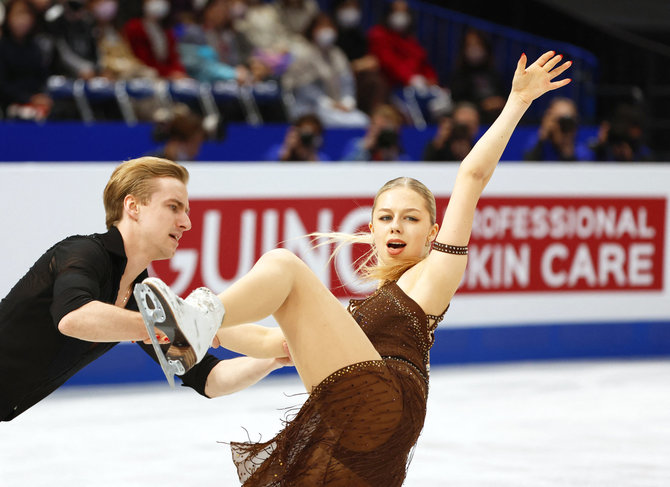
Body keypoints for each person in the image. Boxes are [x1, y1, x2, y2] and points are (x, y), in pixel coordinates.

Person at [135, 51, 572, 485]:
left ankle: (196, 319)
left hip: (385, 404)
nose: (395, 226)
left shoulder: (435, 275)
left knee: (284, 266)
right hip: (363, 430)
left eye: (411, 218)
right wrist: (159, 324)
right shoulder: (356, 322)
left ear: (432, 231)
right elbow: (270, 340)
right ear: (372, 228)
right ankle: (193, 321)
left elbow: (471, 177)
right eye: (385, 217)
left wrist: (518, 101)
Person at [0, 156, 290, 422]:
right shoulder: (83, 252)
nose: (186, 223)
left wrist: (272, 361)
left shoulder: (141, 296)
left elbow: (210, 379)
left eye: (186, 211)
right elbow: (74, 317)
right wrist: (169, 326)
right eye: (173, 207)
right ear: (133, 207)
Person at [281, 12, 368, 127]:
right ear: (312, 30)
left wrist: (347, 102)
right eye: (322, 26)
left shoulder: (337, 54)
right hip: (309, 107)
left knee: (363, 121)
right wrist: (328, 103)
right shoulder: (302, 52)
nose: (327, 31)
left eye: (329, 26)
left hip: (338, 107)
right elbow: (302, 87)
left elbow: (347, 81)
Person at [0, 0, 52, 121]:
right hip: (11, 104)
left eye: (27, 14)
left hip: (38, 101)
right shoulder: (2, 47)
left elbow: (42, 76)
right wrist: (28, 98)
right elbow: (2, 85)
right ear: (8, 17)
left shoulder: (35, 47)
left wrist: (42, 97)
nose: (23, 20)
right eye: (18, 14)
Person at [450, 28, 506, 124]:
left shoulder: (492, 73)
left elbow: (503, 94)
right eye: (470, 45)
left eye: (477, 44)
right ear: (464, 49)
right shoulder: (460, 74)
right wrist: (482, 105)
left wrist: (500, 101)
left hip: (496, 113)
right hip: (474, 112)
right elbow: (458, 99)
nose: (474, 49)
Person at [523, 96, 593, 161]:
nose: (564, 125)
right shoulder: (538, 143)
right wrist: (543, 134)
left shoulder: (582, 152)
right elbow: (527, 165)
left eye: (569, 121)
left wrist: (568, 150)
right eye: (559, 121)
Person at [341, 103, 409, 161]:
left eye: (383, 128)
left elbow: (409, 168)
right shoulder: (357, 144)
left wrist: (392, 153)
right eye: (376, 126)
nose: (380, 132)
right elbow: (342, 168)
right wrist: (364, 149)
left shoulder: (399, 149)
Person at [265, 112, 329, 162]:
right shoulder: (277, 151)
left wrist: (309, 154)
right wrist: (288, 149)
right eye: (303, 133)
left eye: (310, 135)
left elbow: (323, 173)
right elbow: (267, 169)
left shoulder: (321, 158)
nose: (306, 137)